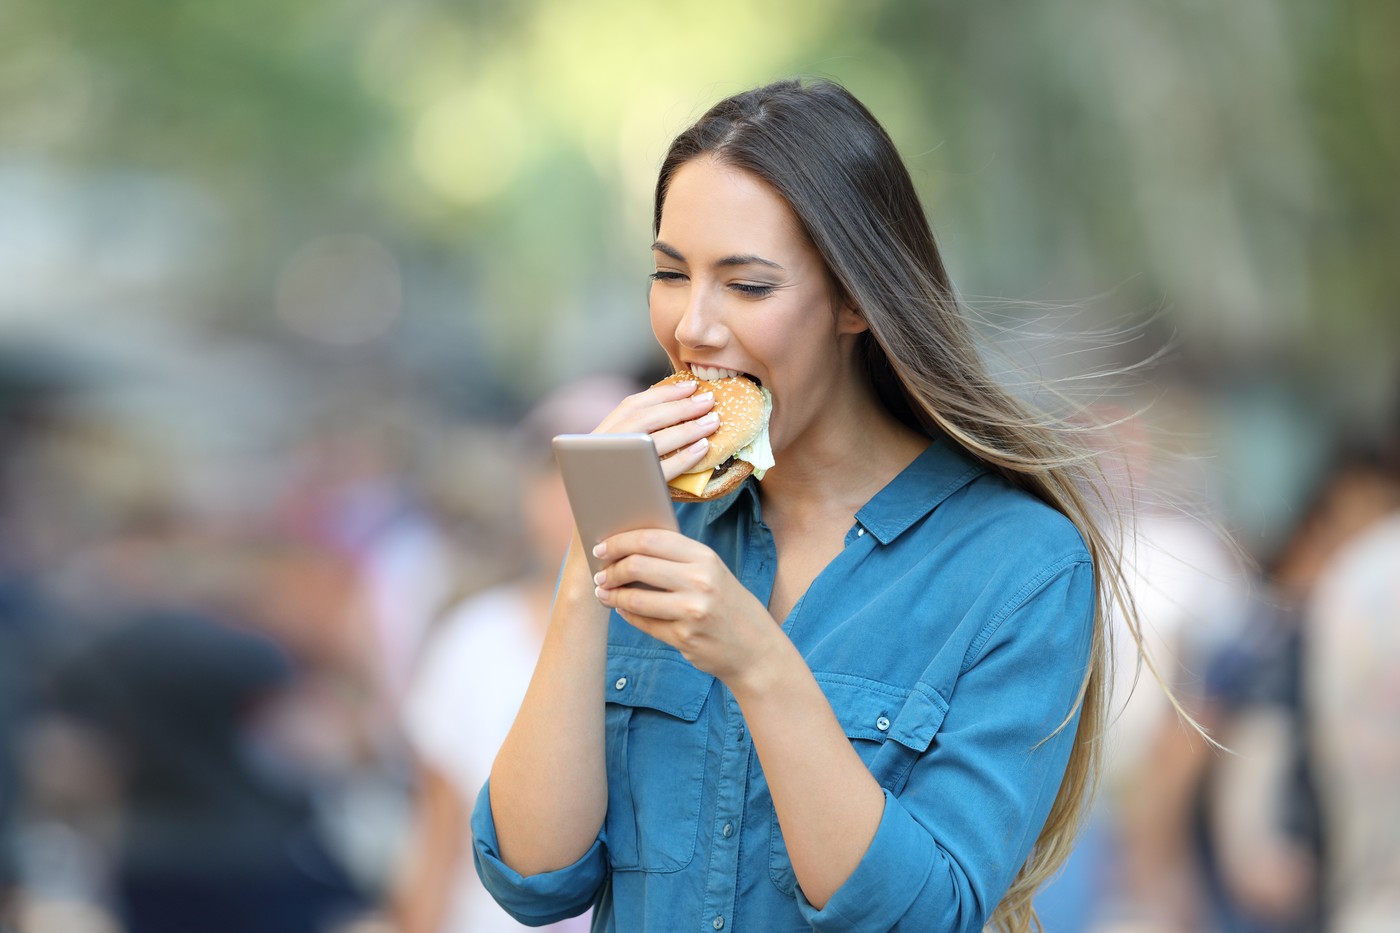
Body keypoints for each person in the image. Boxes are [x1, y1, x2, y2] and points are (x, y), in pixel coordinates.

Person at [472, 78, 1159, 932]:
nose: (693, 326)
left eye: (747, 285)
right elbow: (534, 876)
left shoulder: (1020, 566)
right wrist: (590, 557)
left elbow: (928, 914)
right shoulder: (656, 523)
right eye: (669, 273)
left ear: (855, 298)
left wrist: (759, 663)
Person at [392, 376, 639, 933]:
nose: (579, 494)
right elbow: (436, 838)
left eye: (614, 465)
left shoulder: (692, 637)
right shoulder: (474, 637)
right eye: (559, 469)